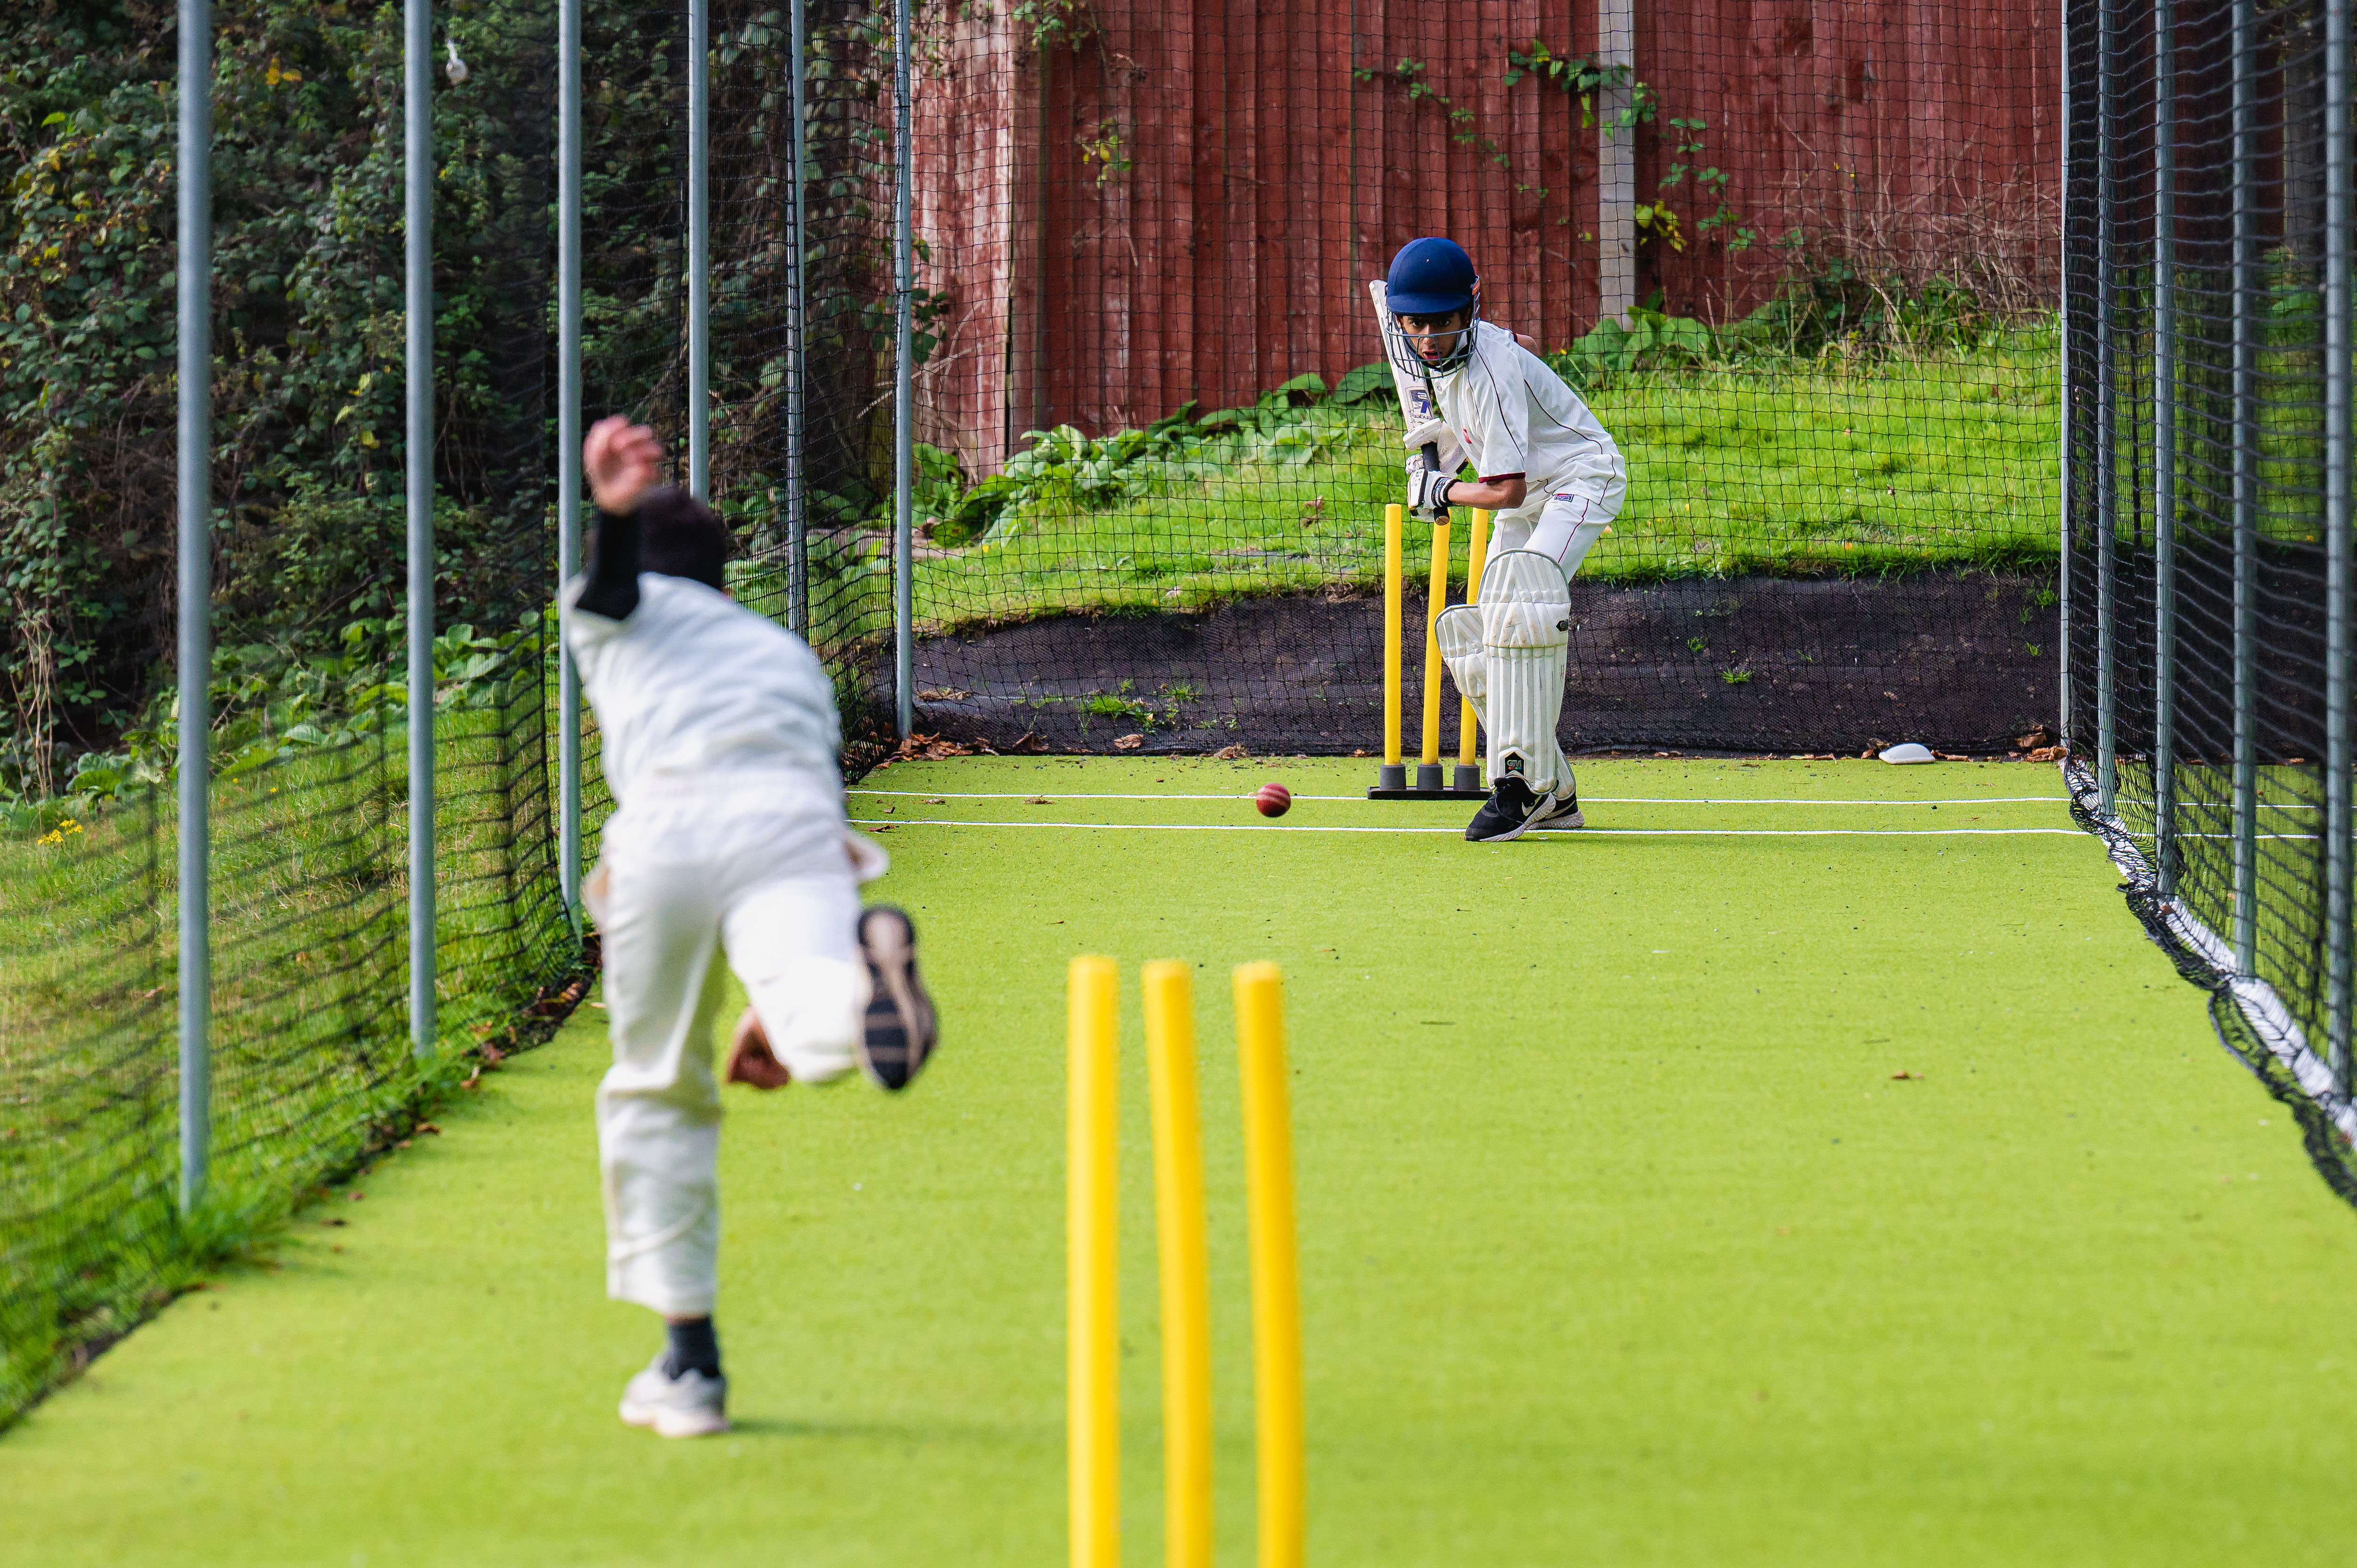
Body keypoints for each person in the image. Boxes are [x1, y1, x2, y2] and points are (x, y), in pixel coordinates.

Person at [563, 414, 939, 1438]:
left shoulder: (611, 611)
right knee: (823, 994)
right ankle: (854, 998)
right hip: (789, 823)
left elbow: (609, 592)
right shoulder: (780, 655)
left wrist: (610, 515)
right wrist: (769, 1006)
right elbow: (800, 819)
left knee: (657, 1083)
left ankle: (689, 1366)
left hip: (668, 830)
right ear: (724, 579)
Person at [1384, 236, 1628, 843]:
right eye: (1416, 326)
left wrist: (1439, 492)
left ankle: (1519, 788)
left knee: (1525, 608)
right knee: (1481, 634)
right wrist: (1442, 463)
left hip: (1579, 479)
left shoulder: (1488, 367)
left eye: (1442, 323)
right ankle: (1559, 791)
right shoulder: (1435, 357)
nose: (1429, 339)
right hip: (1528, 488)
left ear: (1471, 307)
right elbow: (1473, 442)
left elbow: (1507, 493)